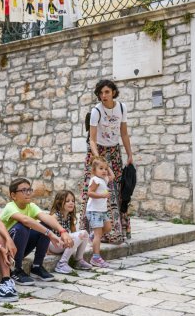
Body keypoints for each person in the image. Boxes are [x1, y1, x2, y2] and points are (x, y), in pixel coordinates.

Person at [81, 79, 134, 243]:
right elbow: (92, 139)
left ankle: (116, 230)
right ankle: (91, 231)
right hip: (98, 151)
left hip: (114, 151)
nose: (104, 96)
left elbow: (123, 133)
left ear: (113, 93)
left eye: (107, 92)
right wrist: (97, 159)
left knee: (116, 189)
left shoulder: (121, 108)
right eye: (101, 93)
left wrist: (129, 154)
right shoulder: (96, 111)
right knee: (95, 188)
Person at [0, 178, 73, 286]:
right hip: (7, 251)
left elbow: (47, 218)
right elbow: (26, 220)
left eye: (29, 190)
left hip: (21, 249)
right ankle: (16, 269)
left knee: (46, 224)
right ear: (13, 195)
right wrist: (50, 234)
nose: (28, 193)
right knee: (22, 226)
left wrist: (63, 231)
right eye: (24, 190)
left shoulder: (31, 206)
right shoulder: (10, 206)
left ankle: (37, 267)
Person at [48, 190, 92, 274]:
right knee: (82, 233)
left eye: (73, 201)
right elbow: (45, 232)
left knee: (84, 233)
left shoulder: (69, 217)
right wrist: (46, 250)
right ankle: (61, 264)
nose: (71, 203)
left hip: (64, 244)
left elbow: (75, 235)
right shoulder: (55, 216)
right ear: (59, 203)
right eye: (67, 201)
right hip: (54, 244)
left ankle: (78, 260)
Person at [85, 158, 113, 268]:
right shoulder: (95, 180)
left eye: (105, 169)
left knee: (108, 228)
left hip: (102, 210)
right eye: (101, 168)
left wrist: (107, 167)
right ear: (94, 170)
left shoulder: (104, 179)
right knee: (98, 234)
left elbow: (113, 177)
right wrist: (102, 195)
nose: (104, 171)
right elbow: (89, 193)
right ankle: (95, 258)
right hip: (94, 211)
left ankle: (91, 236)